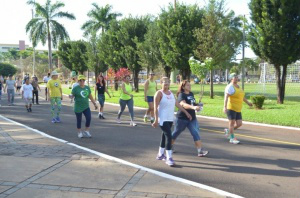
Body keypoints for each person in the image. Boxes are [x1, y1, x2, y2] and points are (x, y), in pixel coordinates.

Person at [152, 77, 192, 167]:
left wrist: (186, 112)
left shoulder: (171, 93)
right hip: (162, 119)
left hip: (170, 118)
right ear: (160, 83)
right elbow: (155, 108)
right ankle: (169, 158)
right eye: (164, 82)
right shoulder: (159, 93)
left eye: (167, 82)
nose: (166, 83)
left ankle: (160, 154)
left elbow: (177, 104)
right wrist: (155, 119)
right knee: (169, 136)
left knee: (164, 136)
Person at [171, 80, 209, 157]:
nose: (190, 86)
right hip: (182, 118)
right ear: (183, 87)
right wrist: (193, 107)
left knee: (195, 133)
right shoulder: (181, 95)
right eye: (188, 85)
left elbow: (192, 103)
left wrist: (198, 105)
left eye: (190, 85)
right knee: (176, 132)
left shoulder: (191, 94)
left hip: (192, 118)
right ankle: (169, 145)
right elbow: (183, 104)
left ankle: (200, 151)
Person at [223, 73, 253, 144]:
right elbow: (226, 97)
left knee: (239, 124)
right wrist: (224, 107)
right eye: (235, 77)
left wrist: (248, 103)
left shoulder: (239, 87)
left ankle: (228, 131)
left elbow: (242, 97)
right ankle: (232, 138)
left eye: (237, 77)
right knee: (232, 123)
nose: (236, 78)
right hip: (231, 108)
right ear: (231, 78)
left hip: (238, 108)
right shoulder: (230, 87)